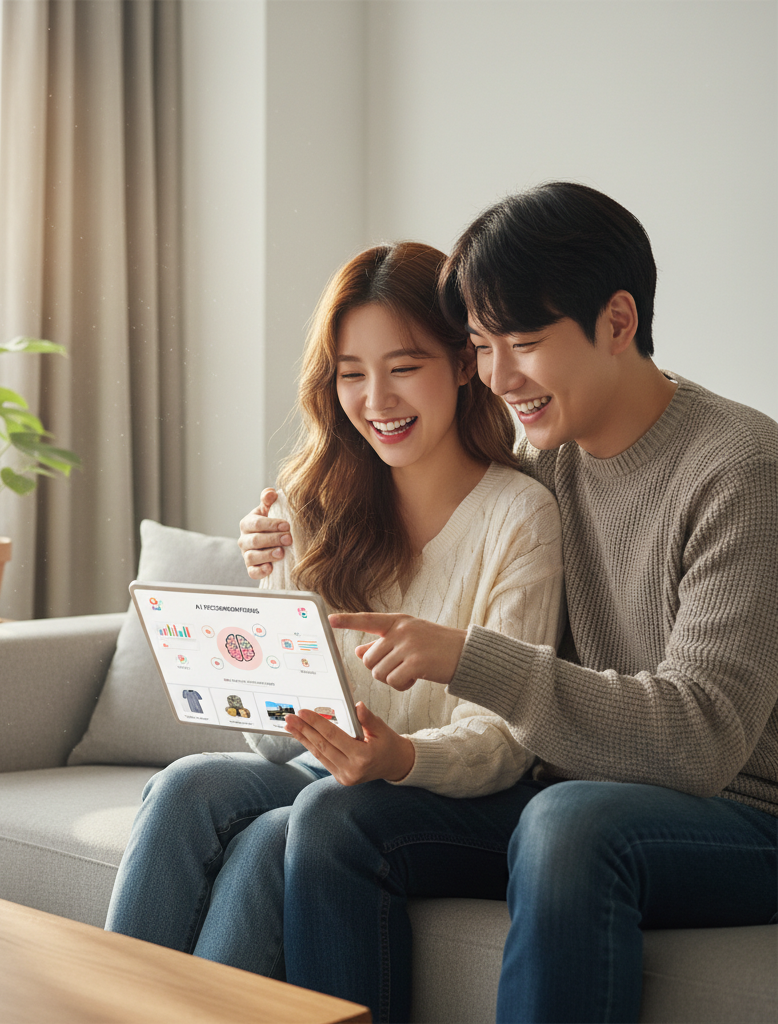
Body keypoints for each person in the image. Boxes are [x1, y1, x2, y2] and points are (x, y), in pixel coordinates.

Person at [239, 182, 778, 1023]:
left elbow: (703, 741)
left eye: (521, 343)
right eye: (483, 347)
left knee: (568, 822)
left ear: (619, 321)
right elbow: (438, 542)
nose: (497, 377)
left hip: (739, 817)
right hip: (565, 793)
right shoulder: (544, 468)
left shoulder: (740, 467)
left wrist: (467, 657)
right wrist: (285, 534)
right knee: (335, 819)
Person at [105, 241, 564, 1012]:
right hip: (325, 774)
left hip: (445, 794)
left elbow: (506, 739)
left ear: (461, 363)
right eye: (352, 373)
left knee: (265, 845)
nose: (376, 398)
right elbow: (278, 743)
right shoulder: (312, 501)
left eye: (403, 366)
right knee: (187, 784)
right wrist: (248, 664)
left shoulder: (520, 517)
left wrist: (399, 755)